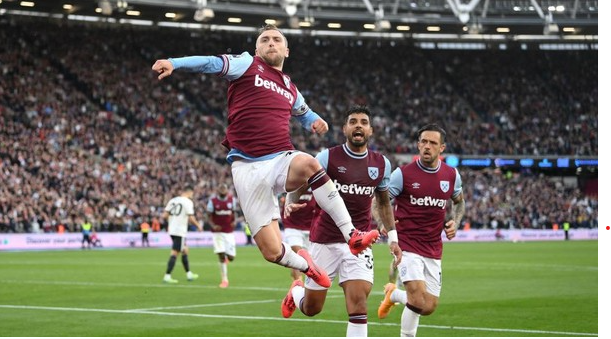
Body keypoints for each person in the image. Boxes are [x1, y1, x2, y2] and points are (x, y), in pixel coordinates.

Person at [152, 24, 379, 289]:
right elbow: (211, 63)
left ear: (286, 50)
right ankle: (307, 265)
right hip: (247, 167)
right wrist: (174, 63)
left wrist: (316, 121)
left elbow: (304, 113)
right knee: (272, 252)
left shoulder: (290, 87)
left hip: (279, 157)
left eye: (276, 39)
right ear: (257, 48)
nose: (271, 43)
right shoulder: (246, 64)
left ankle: (351, 234)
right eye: (265, 39)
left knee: (310, 163)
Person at [281, 105, 402, 337]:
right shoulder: (328, 157)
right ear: (345, 129)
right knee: (312, 308)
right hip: (325, 240)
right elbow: (302, 181)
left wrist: (394, 238)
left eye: (364, 122)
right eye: (353, 121)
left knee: (359, 306)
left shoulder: (381, 164)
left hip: (360, 242)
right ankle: (297, 291)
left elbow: (384, 203)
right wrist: (291, 200)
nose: (359, 125)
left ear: (371, 131)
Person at [377, 123, 465, 337]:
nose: (427, 146)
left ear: (441, 148)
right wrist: (383, 224)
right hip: (407, 246)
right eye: (423, 142)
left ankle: (394, 295)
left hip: (433, 249)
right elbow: (378, 201)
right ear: (418, 145)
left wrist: (456, 220)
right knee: (416, 300)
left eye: (433, 143)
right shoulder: (403, 174)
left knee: (428, 306)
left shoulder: (451, 175)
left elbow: (459, 202)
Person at [161, 186, 203, 284]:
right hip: (179, 231)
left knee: (185, 250)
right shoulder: (188, 202)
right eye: (192, 194)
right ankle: (167, 276)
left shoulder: (173, 200)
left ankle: (189, 274)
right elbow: (191, 218)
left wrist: (173, 221)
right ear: (189, 192)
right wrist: (198, 226)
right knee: (175, 253)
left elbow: (165, 216)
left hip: (172, 229)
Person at [280, 189, 320, 282]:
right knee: (297, 255)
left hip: (310, 226)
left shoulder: (316, 183)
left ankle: (298, 281)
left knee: (307, 260)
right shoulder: (293, 182)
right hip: (292, 225)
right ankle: (299, 286)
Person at [206, 183, 239, 288]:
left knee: (231, 257)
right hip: (218, 232)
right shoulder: (213, 202)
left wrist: (234, 221)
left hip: (228, 231)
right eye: (221, 192)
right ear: (218, 192)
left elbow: (235, 213)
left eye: (225, 192)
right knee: (220, 254)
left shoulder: (231, 200)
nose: (223, 194)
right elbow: (208, 216)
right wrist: (213, 225)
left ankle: (227, 260)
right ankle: (224, 279)